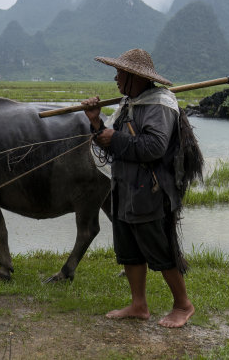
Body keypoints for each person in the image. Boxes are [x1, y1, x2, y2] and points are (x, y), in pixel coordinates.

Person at [82, 48, 195, 328]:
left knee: (160, 249)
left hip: (151, 190)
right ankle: (138, 304)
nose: (116, 79)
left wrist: (116, 139)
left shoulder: (160, 104)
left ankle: (183, 305)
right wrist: (96, 122)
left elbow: (155, 147)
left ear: (135, 77)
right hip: (124, 188)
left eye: (120, 73)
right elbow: (110, 143)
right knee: (128, 248)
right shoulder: (129, 103)